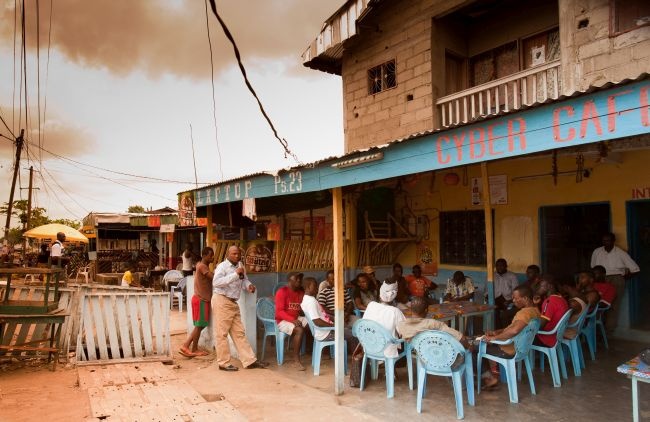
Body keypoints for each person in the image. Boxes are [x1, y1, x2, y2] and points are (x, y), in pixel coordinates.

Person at [212, 245, 267, 371]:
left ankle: (249, 360)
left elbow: (244, 280)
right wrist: (235, 275)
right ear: (228, 254)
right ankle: (223, 363)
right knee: (222, 333)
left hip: (233, 303)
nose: (237, 256)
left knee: (239, 333)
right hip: (222, 300)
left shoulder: (240, 265)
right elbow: (216, 282)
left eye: (238, 254)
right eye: (234, 254)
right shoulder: (222, 266)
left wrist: (249, 286)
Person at [481, 285, 540, 387]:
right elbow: (513, 327)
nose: (513, 300)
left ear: (525, 298)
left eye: (515, 298)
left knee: (475, 348)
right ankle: (491, 374)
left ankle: (488, 378)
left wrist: (493, 338)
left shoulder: (524, 313)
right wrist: (497, 332)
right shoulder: (535, 311)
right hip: (522, 350)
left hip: (509, 350)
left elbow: (515, 330)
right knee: (484, 342)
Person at [590, 232, 640, 331]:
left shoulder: (621, 253)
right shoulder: (597, 252)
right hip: (600, 280)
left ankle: (609, 330)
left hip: (616, 279)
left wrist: (622, 278)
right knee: (596, 303)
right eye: (604, 241)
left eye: (608, 240)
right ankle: (597, 328)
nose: (606, 243)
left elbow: (636, 270)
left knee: (613, 306)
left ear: (613, 241)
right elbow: (593, 267)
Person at [179, 247, 214, 358]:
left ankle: (194, 349)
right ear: (204, 256)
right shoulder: (203, 266)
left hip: (199, 299)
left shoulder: (200, 265)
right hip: (201, 300)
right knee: (199, 326)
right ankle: (186, 345)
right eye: (211, 256)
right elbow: (213, 278)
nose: (212, 258)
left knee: (200, 325)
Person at [397, 296, 468, 347]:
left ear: (410, 309)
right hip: (441, 356)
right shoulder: (433, 324)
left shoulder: (402, 325)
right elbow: (462, 338)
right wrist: (469, 346)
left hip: (421, 356)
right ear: (426, 311)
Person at [362, 281, 406, 358]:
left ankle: (387, 366)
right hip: (387, 351)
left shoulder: (371, 305)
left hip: (369, 346)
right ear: (394, 298)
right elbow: (404, 332)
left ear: (379, 295)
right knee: (405, 343)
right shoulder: (395, 311)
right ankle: (391, 367)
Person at [275, 272, 307, 371]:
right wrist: (292, 320)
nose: (299, 281)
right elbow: (279, 312)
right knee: (299, 330)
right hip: (282, 321)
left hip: (296, 318)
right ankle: (296, 360)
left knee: (313, 323)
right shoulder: (282, 292)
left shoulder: (300, 292)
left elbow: (304, 308)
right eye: (296, 279)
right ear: (289, 280)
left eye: (300, 279)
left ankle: (315, 351)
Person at [533, 276, 569, 347]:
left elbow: (540, 326)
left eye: (541, 286)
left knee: (520, 337)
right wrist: (536, 305)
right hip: (557, 336)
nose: (538, 290)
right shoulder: (560, 298)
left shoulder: (550, 301)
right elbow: (543, 317)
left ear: (549, 286)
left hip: (548, 338)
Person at [493, 258, 520, 328]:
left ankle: (505, 329)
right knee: (494, 311)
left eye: (502, 265)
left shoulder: (512, 276)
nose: (499, 267)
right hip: (495, 299)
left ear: (506, 266)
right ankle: (498, 329)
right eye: (497, 266)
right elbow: (487, 290)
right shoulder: (492, 275)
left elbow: (516, 291)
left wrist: (510, 301)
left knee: (504, 313)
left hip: (508, 300)